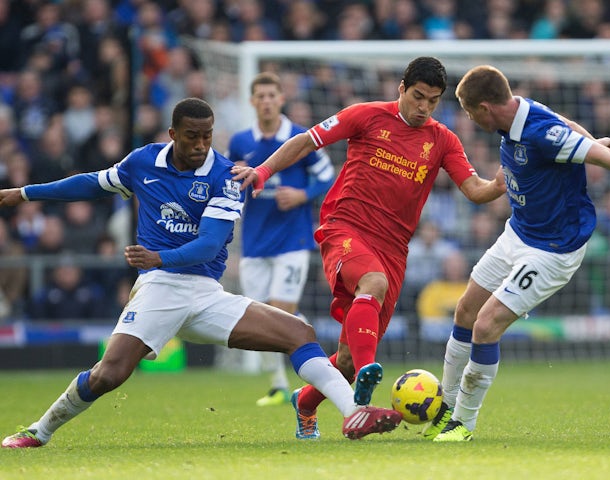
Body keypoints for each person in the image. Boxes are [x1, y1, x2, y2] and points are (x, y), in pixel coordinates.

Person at [0, 97, 401, 449]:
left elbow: (209, 245)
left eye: (207, 136)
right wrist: (25, 193)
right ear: (173, 133)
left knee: (300, 334)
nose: (200, 145)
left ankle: (353, 413)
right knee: (111, 374)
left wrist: (159, 256)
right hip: (160, 289)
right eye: (192, 136)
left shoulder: (225, 178)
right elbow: (92, 183)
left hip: (205, 293)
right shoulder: (142, 162)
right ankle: (40, 430)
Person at [232, 57, 507, 439]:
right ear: (401, 88)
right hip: (346, 228)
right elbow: (305, 141)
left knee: (345, 358)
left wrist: (498, 184)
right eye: (417, 97)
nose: (423, 107)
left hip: (394, 248)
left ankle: (307, 401)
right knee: (372, 285)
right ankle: (364, 387)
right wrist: (262, 171)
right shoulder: (365, 116)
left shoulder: (443, 140)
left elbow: (474, 189)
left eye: (432, 100)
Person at [425, 65, 610, 443]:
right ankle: (445, 405)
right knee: (465, 310)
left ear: (487, 108)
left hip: (552, 249)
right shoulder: (522, 109)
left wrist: (596, 149)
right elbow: (568, 122)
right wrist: (594, 139)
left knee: (486, 325)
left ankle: (463, 423)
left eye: (472, 113)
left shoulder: (541, 133)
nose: (471, 121)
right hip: (517, 232)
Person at [227, 72, 335, 407]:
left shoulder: (300, 137)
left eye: (272, 95)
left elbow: (328, 177)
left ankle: (321, 362)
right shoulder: (241, 142)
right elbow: (234, 185)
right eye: (260, 96)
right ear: (252, 101)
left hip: (293, 240)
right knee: (260, 320)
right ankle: (278, 384)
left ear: (281, 99)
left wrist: (303, 194)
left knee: (281, 310)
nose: (267, 101)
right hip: (256, 242)